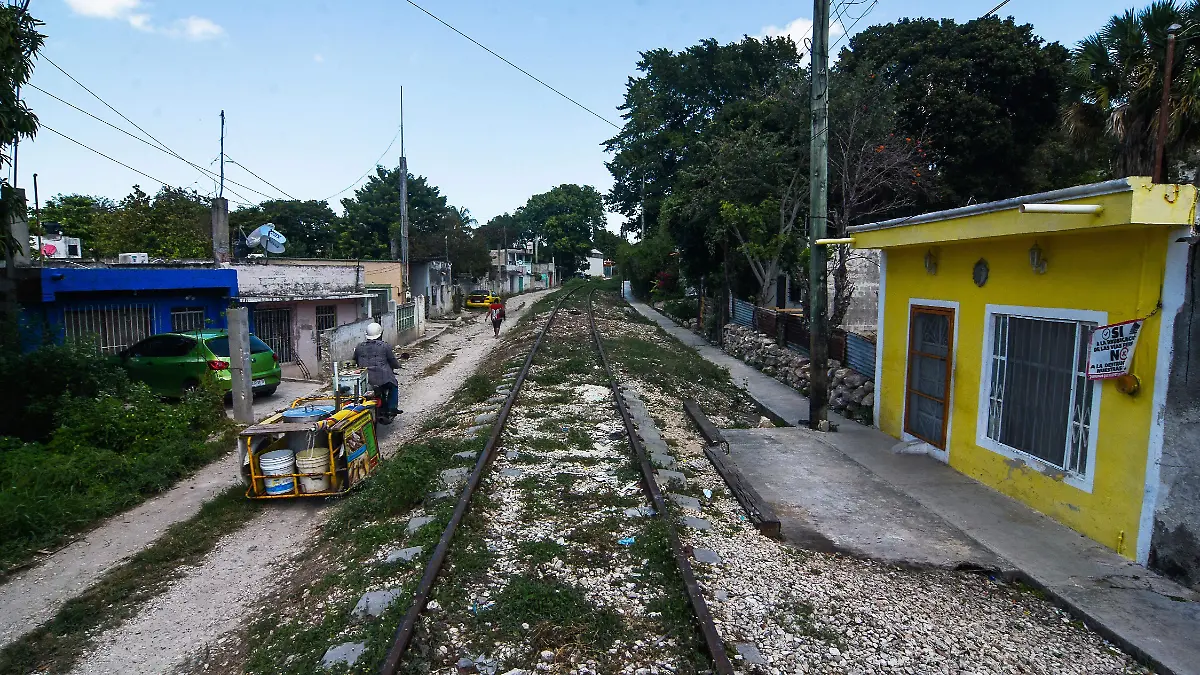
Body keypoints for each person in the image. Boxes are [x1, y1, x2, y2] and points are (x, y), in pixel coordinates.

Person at [353, 322, 402, 424]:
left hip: (366, 379)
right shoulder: (384, 346)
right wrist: (397, 366)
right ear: (380, 334)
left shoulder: (359, 347)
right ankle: (391, 409)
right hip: (383, 378)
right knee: (394, 386)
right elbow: (392, 360)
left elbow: (355, 360)